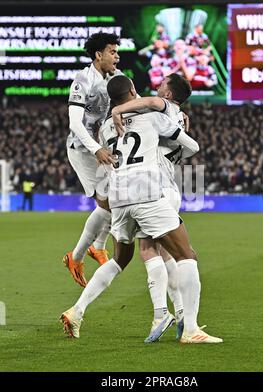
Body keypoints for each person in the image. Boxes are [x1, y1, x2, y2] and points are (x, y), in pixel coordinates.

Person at [60, 75, 223, 345]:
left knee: (119, 260)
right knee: (186, 255)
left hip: (118, 198)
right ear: (134, 91)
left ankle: (77, 311)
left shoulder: (104, 129)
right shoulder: (154, 117)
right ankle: (190, 327)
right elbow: (188, 144)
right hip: (147, 192)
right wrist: (178, 134)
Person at [111, 73, 192, 341]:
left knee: (148, 250)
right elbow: (183, 143)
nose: (157, 89)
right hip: (169, 187)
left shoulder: (162, 107)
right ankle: (181, 314)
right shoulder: (177, 117)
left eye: (161, 86)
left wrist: (119, 108)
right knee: (167, 255)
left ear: (168, 95)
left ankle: (163, 314)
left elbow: (152, 103)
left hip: (157, 188)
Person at [63, 32, 122, 287]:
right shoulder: (82, 81)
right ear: (99, 55)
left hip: (103, 147)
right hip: (82, 149)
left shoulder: (116, 78)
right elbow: (74, 123)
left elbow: (138, 101)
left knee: (116, 199)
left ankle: (93, 248)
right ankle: (78, 256)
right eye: (112, 52)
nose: (117, 57)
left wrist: (170, 109)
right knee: (110, 202)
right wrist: (96, 148)